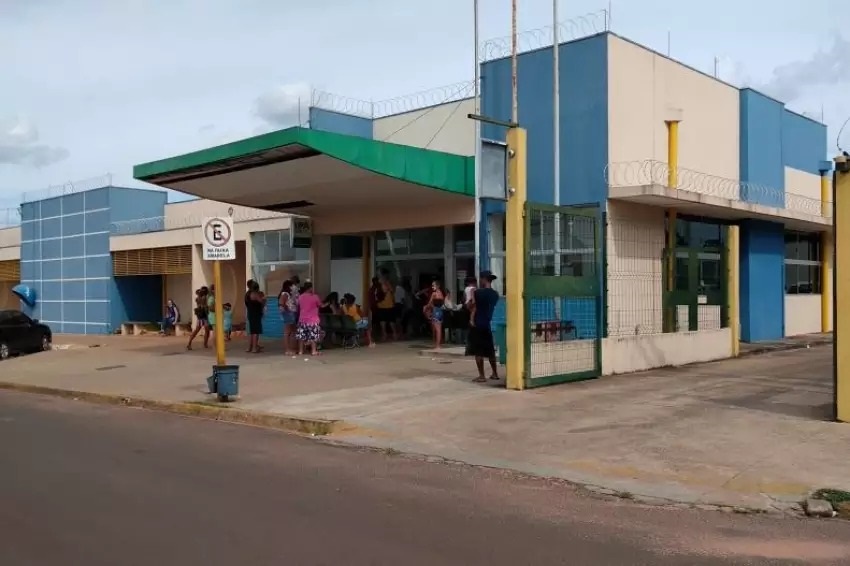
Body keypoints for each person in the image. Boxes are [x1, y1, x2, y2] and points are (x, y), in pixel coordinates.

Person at [467, 271, 501, 383]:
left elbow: (471, 306)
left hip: (477, 323)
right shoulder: (495, 294)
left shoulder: (477, 292)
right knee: (490, 350)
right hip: (488, 324)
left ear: (484, 279)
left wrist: (470, 298)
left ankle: (482, 376)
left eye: (481, 279)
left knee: (478, 351)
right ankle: (495, 373)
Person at [296, 281, 324, 356]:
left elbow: (298, 306)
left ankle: (300, 351)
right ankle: (313, 351)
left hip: (302, 319)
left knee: (301, 336)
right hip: (313, 320)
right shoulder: (315, 297)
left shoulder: (300, 297)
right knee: (313, 336)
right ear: (310, 288)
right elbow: (321, 305)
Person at [424, 279, 446, 350]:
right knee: (439, 329)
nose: (432, 287)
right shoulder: (441, 293)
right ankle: (438, 345)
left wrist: (425, 308)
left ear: (438, 286)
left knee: (437, 329)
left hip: (436, 311)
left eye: (433, 285)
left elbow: (429, 303)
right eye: (432, 285)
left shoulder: (434, 294)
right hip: (440, 311)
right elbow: (442, 302)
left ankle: (438, 345)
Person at [375, 271, 396, 341]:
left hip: (385, 304)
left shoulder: (383, 282)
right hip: (386, 304)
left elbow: (390, 290)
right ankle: (391, 334)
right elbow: (391, 290)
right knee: (388, 321)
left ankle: (387, 335)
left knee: (385, 321)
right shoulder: (384, 283)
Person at [245, 279, 265, 353]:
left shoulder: (247, 294)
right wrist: (263, 299)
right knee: (256, 331)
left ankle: (250, 347)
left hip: (250, 313)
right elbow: (262, 302)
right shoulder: (255, 294)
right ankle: (254, 348)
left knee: (252, 331)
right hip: (256, 314)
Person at [278, 279, 297, 356]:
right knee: (287, 332)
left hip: (290, 313)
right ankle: (287, 349)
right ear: (288, 286)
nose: (293, 287)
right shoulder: (285, 294)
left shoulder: (288, 294)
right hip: (288, 314)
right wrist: (287, 309)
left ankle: (292, 348)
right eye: (292, 285)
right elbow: (281, 303)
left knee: (293, 331)